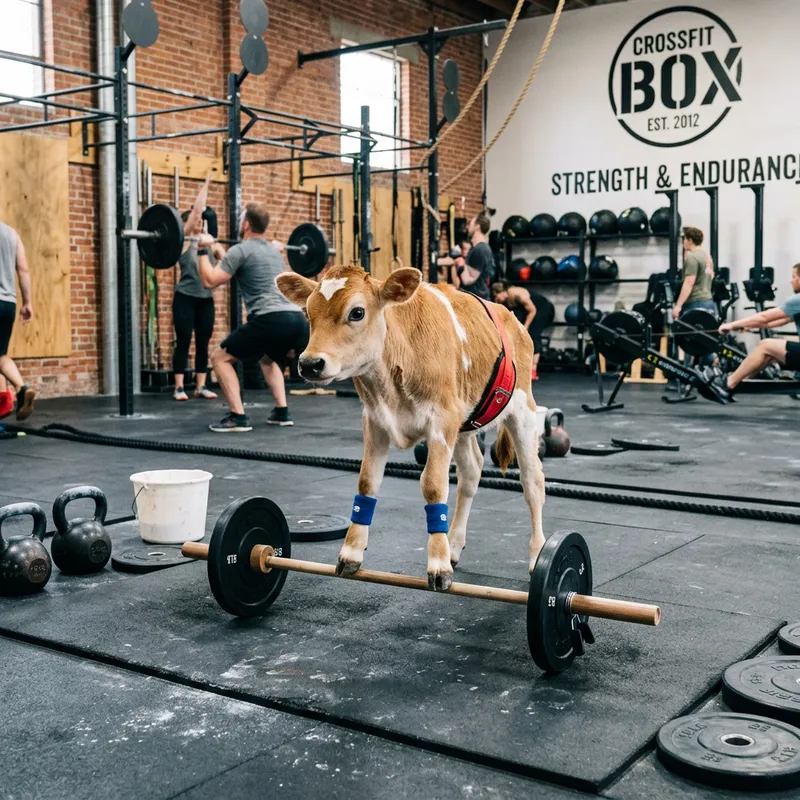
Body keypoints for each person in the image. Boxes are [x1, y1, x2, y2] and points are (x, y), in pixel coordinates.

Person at [197, 202, 309, 432]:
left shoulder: (241, 250)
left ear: (246, 224)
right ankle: (281, 412)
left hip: (270, 319)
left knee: (219, 358)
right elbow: (233, 260)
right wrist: (215, 246)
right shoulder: (273, 251)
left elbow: (210, 280)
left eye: (241, 220)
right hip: (297, 319)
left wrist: (201, 249)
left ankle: (238, 417)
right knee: (267, 358)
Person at [706, 263, 800, 401]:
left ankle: (727, 383)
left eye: (793, 277)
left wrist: (731, 325)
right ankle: (740, 380)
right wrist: (749, 326)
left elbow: (765, 317)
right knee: (770, 352)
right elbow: (777, 321)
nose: (790, 281)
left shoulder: (797, 300)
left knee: (765, 345)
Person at [172, 174, 221, 402]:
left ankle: (200, 386)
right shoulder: (183, 242)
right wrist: (206, 186)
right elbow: (195, 215)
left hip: (205, 299)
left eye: (203, 222)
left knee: (203, 342)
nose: (200, 224)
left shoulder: (208, 243)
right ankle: (179, 387)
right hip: (185, 298)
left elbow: (227, 261)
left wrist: (218, 252)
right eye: (197, 222)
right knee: (183, 341)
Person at [0, 220, 35, 420]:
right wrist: (27, 302)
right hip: (8, 304)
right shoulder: (11, 234)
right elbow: (23, 270)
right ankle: (8, 398)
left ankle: (21, 388)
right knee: (0, 356)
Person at [491, 281, 554, 380]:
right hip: (529, 310)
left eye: (496, 296)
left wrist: (525, 327)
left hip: (543, 309)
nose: (496, 300)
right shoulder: (506, 300)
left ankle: (533, 370)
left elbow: (532, 310)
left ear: (502, 292)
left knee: (532, 334)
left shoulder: (518, 294)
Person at [673, 226, 715, 320]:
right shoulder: (707, 257)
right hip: (708, 302)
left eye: (684, 239)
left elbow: (689, 283)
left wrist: (678, 306)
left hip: (694, 303)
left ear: (690, 240)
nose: (683, 242)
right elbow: (711, 276)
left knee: (686, 334)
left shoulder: (692, 257)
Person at [458, 211, 495, 300]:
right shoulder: (476, 248)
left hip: (477, 301)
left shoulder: (481, 250)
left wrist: (460, 266)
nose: (468, 227)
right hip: (473, 300)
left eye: (471, 224)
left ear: (477, 226)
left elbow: (467, 280)